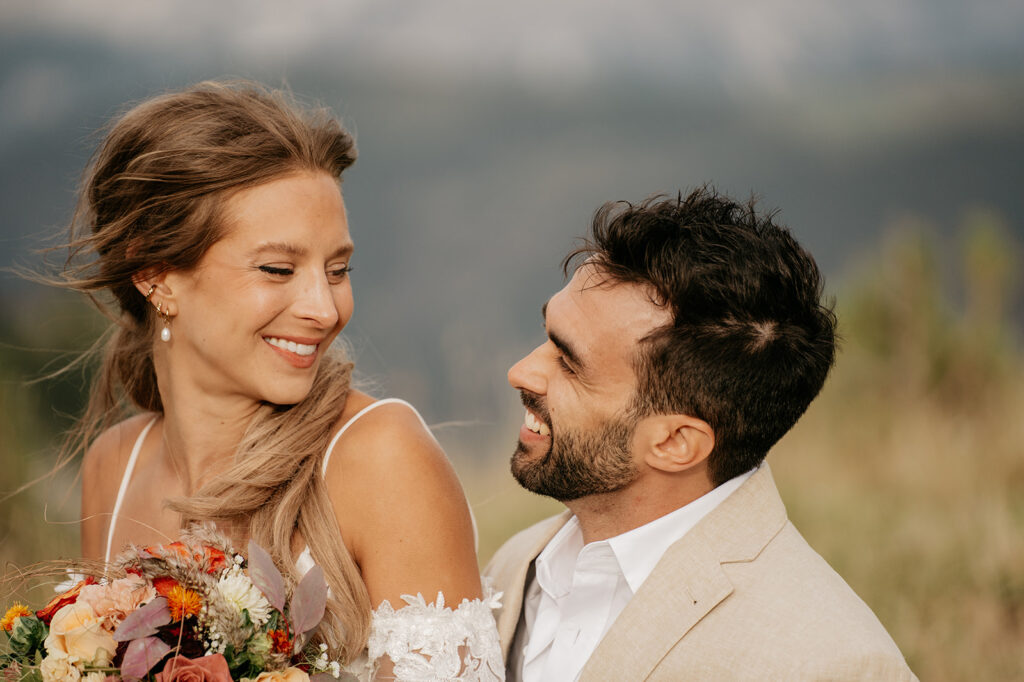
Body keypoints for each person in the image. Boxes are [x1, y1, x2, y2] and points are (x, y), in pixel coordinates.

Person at [52, 80, 501, 681]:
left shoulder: (380, 457)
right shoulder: (113, 466)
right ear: (156, 274)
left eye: (338, 269)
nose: (324, 307)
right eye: (278, 269)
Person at [485, 188, 918, 680]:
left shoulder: (830, 662)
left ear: (675, 443)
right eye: (547, 336)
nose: (519, 371)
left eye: (569, 361)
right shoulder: (516, 564)